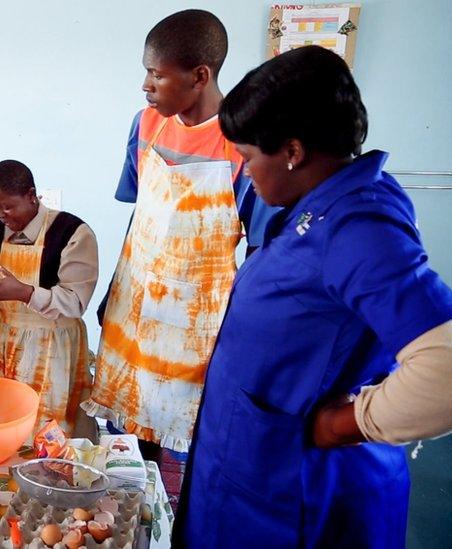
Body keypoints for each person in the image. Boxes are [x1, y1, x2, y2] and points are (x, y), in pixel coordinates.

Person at [175, 45, 452, 547]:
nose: (244, 173)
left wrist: (342, 425)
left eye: (247, 157)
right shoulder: (320, 204)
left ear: (292, 151)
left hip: (300, 491)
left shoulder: (359, 225)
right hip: (256, 459)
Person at [82, 9, 278, 460]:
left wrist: (240, 328)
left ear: (200, 76)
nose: (145, 85)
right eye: (146, 73)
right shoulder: (146, 125)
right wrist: (116, 286)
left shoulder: (243, 144)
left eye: (156, 74)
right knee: (126, 436)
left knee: (190, 435)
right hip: (135, 302)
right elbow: (142, 215)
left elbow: (262, 250)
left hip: (197, 319)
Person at [0, 160, 98, 437]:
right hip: (5, 346)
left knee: (53, 430)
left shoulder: (72, 233)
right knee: (6, 426)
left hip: (55, 346)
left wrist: (23, 292)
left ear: (31, 195)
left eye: (8, 206)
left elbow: (75, 302)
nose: (1, 214)